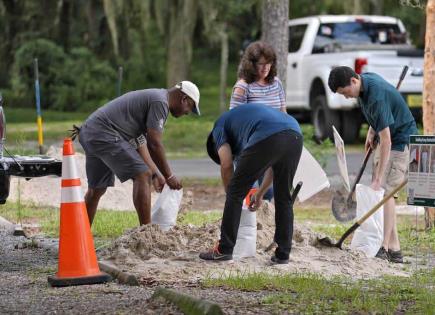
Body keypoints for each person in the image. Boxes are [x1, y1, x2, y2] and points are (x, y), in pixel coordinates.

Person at [76, 81, 200, 226]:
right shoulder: (160, 102)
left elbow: (140, 142)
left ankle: (79, 236)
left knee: (97, 189)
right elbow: (154, 143)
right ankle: (146, 233)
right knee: (142, 175)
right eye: (189, 107)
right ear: (184, 99)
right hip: (104, 133)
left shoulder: (154, 98)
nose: (187, 112)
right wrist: (169, 176)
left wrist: (156, 174)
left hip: (90, 132)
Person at [328, 66, 417, 263]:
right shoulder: (364, 83)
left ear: (353, 81)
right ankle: (395, 249)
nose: (346, 97)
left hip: (400, 140)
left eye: (345, 92)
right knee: (382, 192)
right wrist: (371, 130)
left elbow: (387, 141)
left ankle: (384, 247)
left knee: (386, 192)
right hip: (388, 135)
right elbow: (378, 114)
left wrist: (378, 177)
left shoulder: (375, 95)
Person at [199, 104, 303, 264]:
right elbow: (273, 167)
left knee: (235, 192)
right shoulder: (242, 124)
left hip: (269, 134)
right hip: (295, 133)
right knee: (283, 197)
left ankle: (224, 250)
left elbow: (226, 164)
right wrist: (260, 193)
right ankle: (283, 254)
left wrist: (232, 197)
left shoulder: (218, 128)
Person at [230, 40, 286, 201]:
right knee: (250, 189)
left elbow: (283, 113)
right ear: (251, 64)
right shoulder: (243, 87)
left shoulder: (276, 83)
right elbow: (234, 120)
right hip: (248, 147)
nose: (265, 68)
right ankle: (247, 224)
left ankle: (264, 224)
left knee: (268, 192)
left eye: (269, 64)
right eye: (261, 64)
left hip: (272, 146)